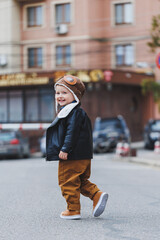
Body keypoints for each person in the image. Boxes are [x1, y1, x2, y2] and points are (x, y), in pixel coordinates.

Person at [46, 75, 108, 220]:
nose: (60, 96)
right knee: (79, 181)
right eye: (57, 93)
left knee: (67, 180)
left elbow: (72, 132)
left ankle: (73, 210)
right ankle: (97, 195)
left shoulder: (73, 112)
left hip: (72, 155)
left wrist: (65, 149)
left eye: (64, 92)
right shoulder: (73, 111)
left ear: (74, 95)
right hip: (83, 154)